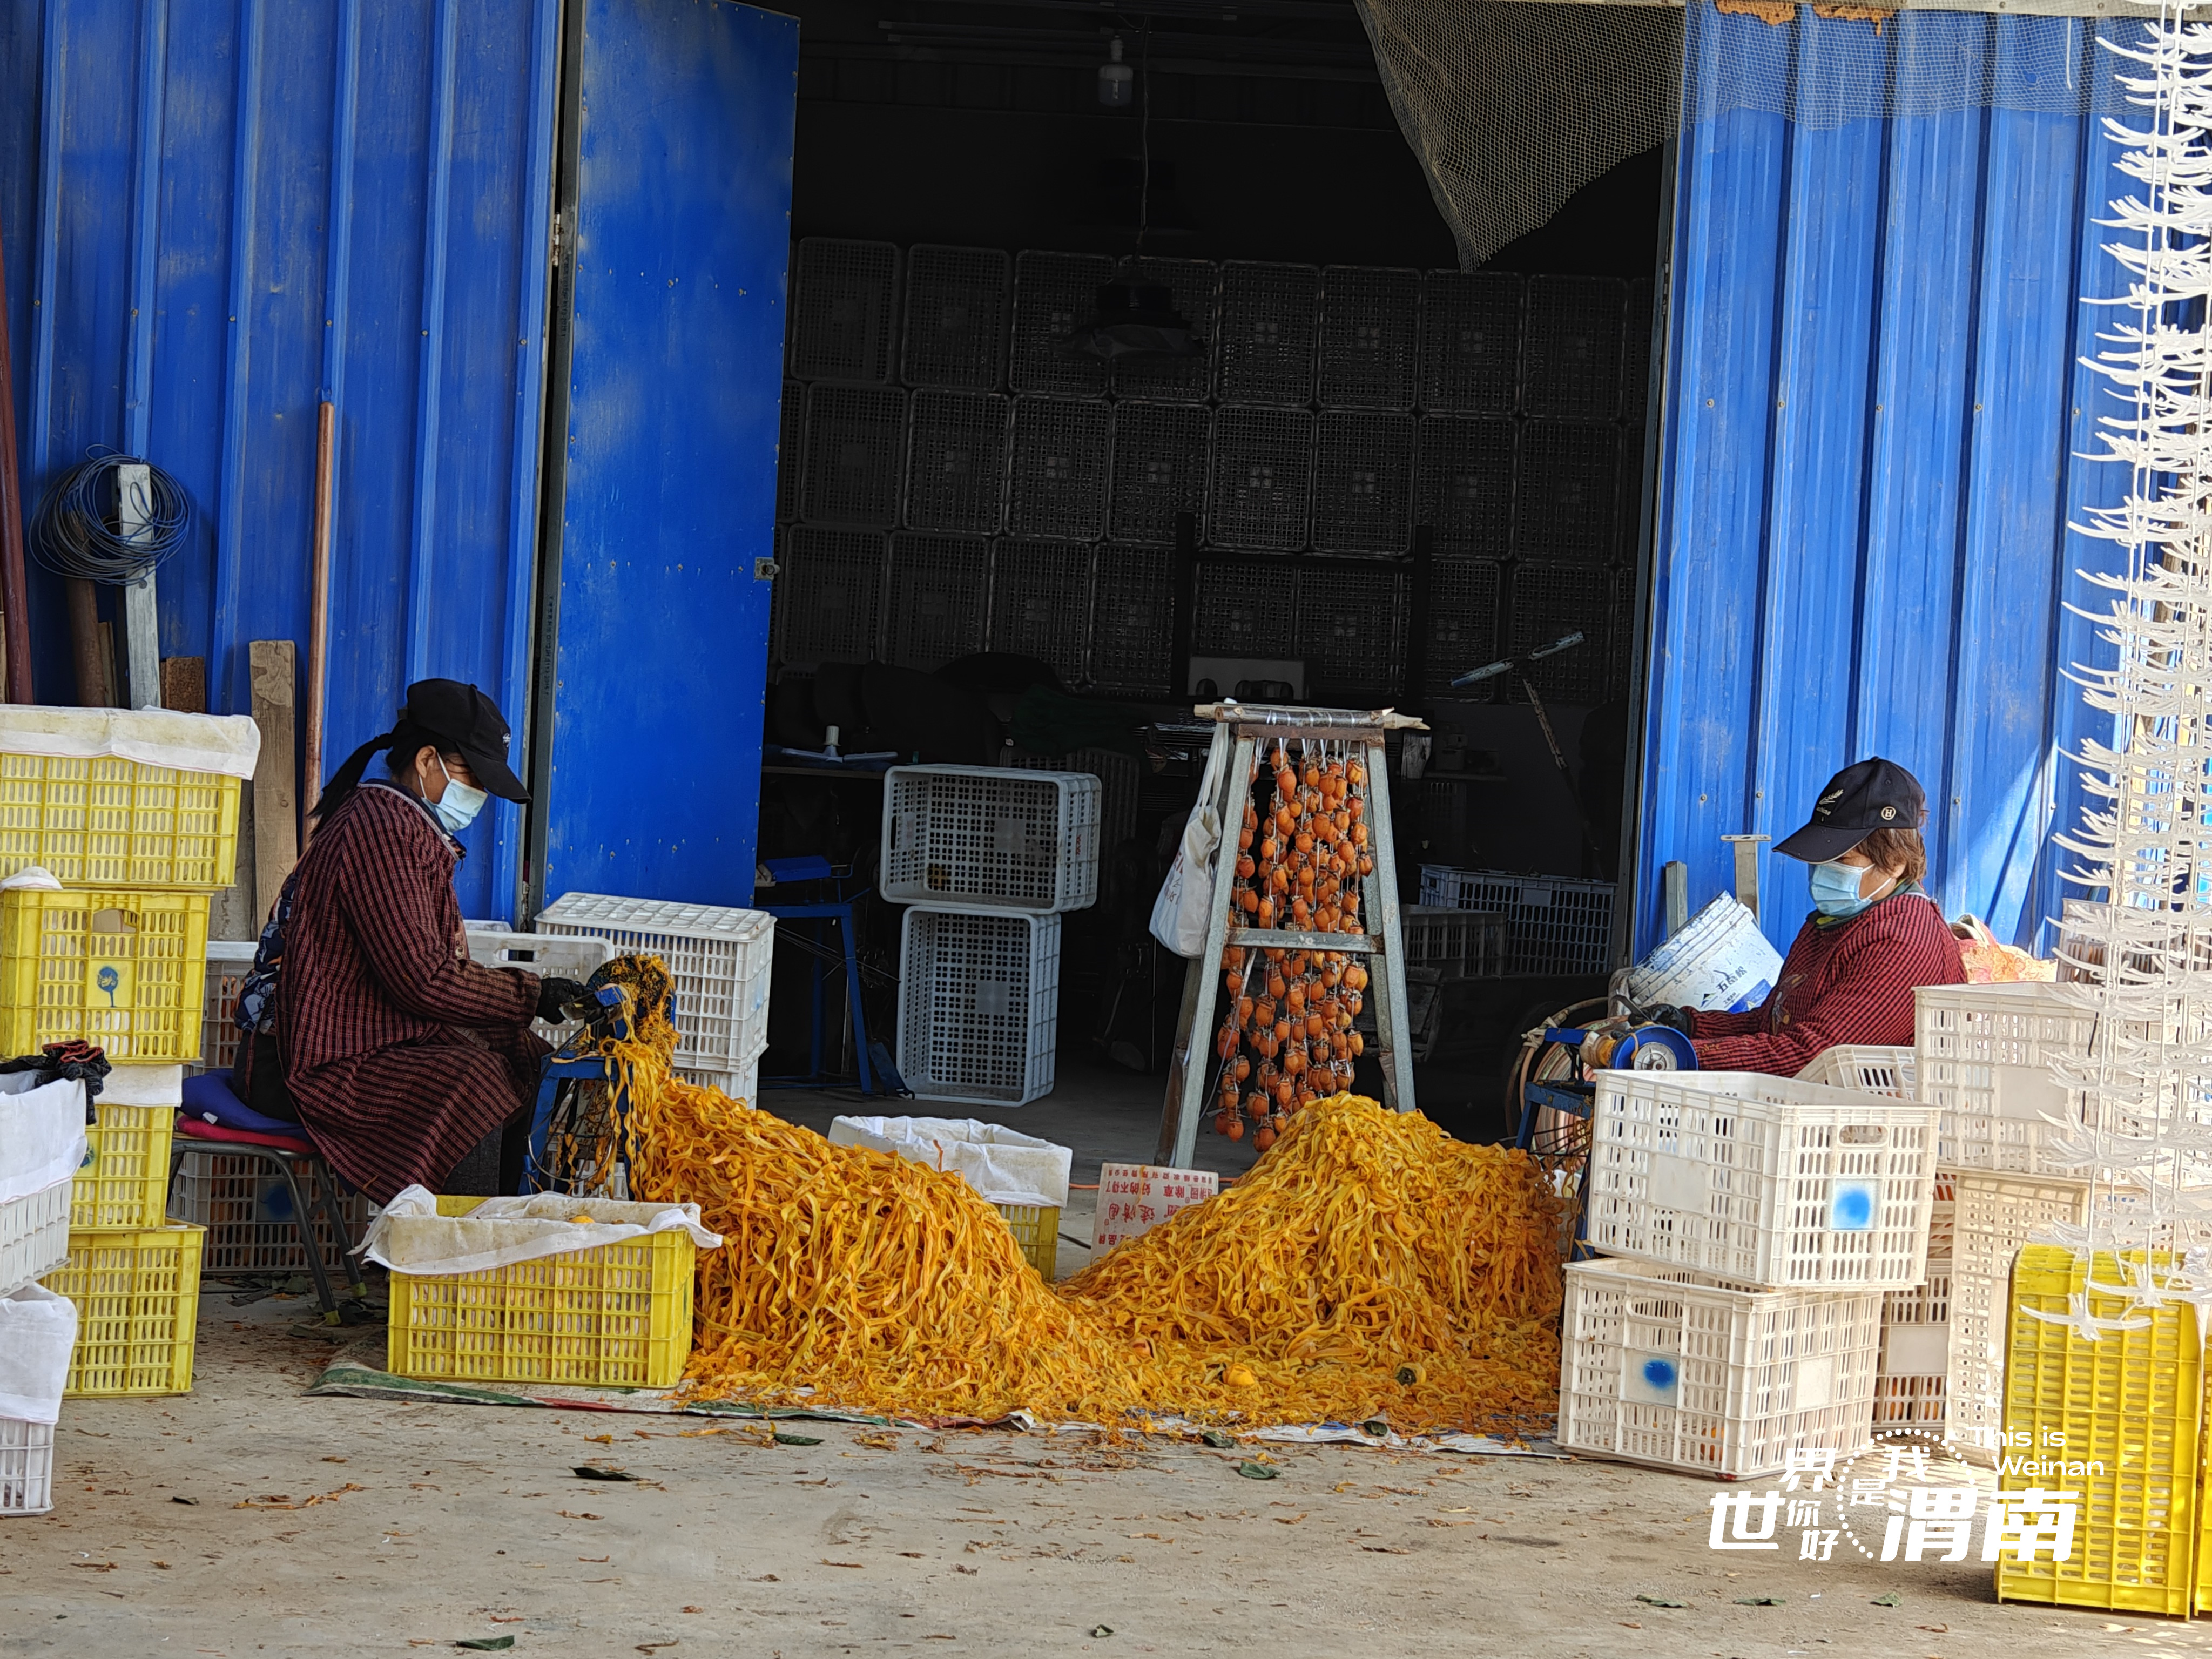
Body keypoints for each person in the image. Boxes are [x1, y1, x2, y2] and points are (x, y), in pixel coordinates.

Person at [232, 680, 586, 1204]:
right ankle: (454, 1258)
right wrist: (530, 995)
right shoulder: (380, 830)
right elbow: (422, 980)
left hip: (365, 1040)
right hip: (301, 1063)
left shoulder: (407, 826)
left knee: (528, 1057)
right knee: (477, 1082)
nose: (481, 798)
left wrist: (522, 1011)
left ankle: (507, 1224)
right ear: (426, 761)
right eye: (474, 778)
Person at [1642, 758, 1965, 1076]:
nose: (1822, 872)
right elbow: (1769, 1024)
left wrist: (1673, 1053)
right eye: (1821, 858)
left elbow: (1812, 1057)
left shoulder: (1904, 940)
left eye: (1842, 859)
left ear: (1895, 862)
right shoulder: (1829, 925)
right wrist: (1689, 1026)